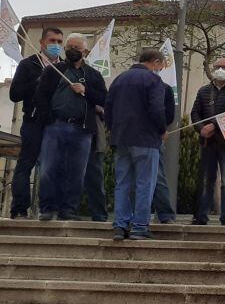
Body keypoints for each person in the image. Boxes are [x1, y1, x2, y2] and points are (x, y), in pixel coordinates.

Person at [34, 34, 107, 221]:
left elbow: (104, 99)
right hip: (55, 126)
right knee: (48, 169)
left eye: (77, 47)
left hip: (82, 130)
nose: (72, 50)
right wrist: (48, 120)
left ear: (84, 51)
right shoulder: (53, 71)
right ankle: (47, 208)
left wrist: (86, 90)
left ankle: (69, 210)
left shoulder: (93, 75)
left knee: (76, 173)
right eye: (70, 46)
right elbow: (41, 96)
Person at [105, 48, 172, 241]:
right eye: (161, 64)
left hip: (121, 138)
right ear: (156, 62)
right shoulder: (153, 80)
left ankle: (120, 225)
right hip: (146, 139)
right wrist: (161, 129)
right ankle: (139, 227)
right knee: (145, 184)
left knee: (122, 183)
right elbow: (157, 108)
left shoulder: (119, 79)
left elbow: (108, 108)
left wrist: (113, 130)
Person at [8, 26, 64, 218]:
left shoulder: (64, 68)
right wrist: (38, 81)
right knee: (26, 164)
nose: (56, 45)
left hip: (56, 123)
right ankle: (19, 209)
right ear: (42, 43)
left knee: (54, 166)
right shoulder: (28, 64)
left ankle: (49, 208)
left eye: (59, 42)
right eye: (52, 41)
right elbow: (14, 94)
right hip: (33, 122)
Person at [191, 57, 225, 226]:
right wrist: (202, 128)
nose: (220, 69)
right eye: (217, 66)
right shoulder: (204, 90)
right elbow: (195, 113)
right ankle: (201, 217)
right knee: (205, 181)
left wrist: (214, 126)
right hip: (207, 143)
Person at [82, 107, 108, 222]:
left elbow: (106, 107)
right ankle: (68, 210)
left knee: (95, 178)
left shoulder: (94, 89)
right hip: (77, 132)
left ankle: (99, 214)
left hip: (93, 136)